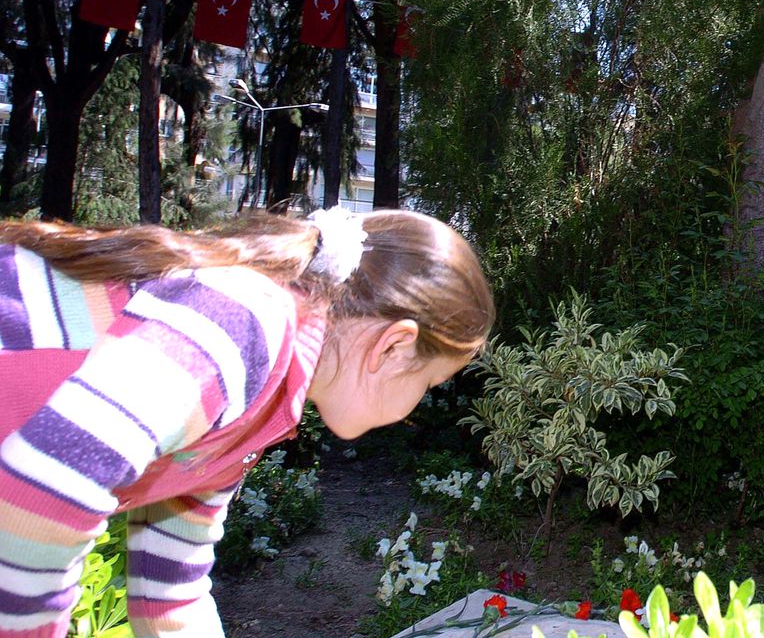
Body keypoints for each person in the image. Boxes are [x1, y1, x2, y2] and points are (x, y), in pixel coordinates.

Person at [0, 208, 494, 637]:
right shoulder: (243, 320)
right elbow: (44, 489)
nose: (415, 409)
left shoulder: (257, 409)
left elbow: (170, 593)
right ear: (393, 347)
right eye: (429, 383)